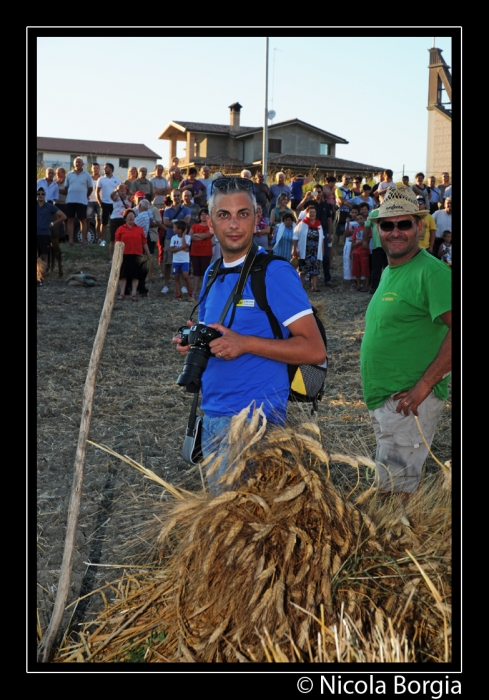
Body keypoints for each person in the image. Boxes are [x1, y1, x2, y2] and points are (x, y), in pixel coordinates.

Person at [173, 176, 325, 493]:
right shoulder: (213, 273)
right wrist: (195, 341)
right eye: (223, 215)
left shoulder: (274, 271)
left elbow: (314, 349)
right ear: (210, 220)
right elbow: (219, 334)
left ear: (257, 217)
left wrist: (244, 344)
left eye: (243, 214)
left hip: (257, 426)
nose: (233, 224)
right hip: (213, 417)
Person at [361, 185, 451, 505]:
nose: (395, 232)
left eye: (404, 224)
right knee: (390, 491)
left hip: (408, 403)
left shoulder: (432, 272)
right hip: (389, 403)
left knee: (394, 498)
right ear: (377, 229)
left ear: (419, 227)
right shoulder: (392, 270)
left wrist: (425, 384)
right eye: (388, 225)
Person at [115, 209, 150, 301]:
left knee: (135, 275)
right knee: (124, 275)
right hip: (124, 254)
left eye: (133, 215)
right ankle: (122, 293)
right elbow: (116, 242)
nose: (131, 217)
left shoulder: (139, 229)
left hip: (137, 255)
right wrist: (116, 256)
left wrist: (148, 253)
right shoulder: (120, 229)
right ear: (125, 218)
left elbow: (144, 242)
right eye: (129, 216)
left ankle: (134, 294)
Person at [161, 189, 191, 293]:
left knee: (182, 261)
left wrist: (173, 222)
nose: (177, 197)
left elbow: (187, 221)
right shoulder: (167, 210)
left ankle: (183, 286)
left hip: (182, 238)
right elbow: (165, 222)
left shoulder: (186, 209)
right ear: (172, 197)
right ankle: (166, 285)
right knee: (168, 262)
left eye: (178, 195)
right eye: (175, 196)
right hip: (170, 237)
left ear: (181, 197)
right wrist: (179, 223)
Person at [293, 203, 325, 292]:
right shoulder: (302, 224)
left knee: (315, 270)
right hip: (305, 251)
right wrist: (294, 248)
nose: (312, 214)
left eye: (314, 212)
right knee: (302, 270)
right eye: (310, 212)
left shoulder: (319, 224)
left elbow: (322, 238)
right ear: (307, 213)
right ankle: (301, 286)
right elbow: (295, 237)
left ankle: (314, 287)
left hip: (315, 251)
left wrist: (322, 251)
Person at [65, 157, 93, 246]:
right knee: (70, 220)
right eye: (76, 162)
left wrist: (85, 196)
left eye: (80, 162)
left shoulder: (87, 175)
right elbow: (66, 187)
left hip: (82, 201)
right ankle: (70, 241)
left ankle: (83, 241)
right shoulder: (69, 174)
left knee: (82, 220)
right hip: (70, 200)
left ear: (83, 164)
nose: (78, 164)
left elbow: (90, 188)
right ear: (74, 164)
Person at [37, 187, 67, 271]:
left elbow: (63, 216)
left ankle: (42, 276)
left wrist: (53, 223)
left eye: (42, 194)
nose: (40, 196)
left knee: (45, 255)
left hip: (45, 233)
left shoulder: (50, 206)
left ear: (45, 195)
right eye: (38, 194)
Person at [96, 163, 122, 245]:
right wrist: (100, 202)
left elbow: (120, 192)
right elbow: (97, 192)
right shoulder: (101, 179)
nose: (104, 169)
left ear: (111, 169)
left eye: (106, 167)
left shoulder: (117, 179)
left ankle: (115, 240)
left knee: (115, 222)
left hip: (115, 205)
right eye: (104, 168)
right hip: (104, 203)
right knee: (104, 223)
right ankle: (103, 240)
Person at [189, 207, 213, 294]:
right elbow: (190, 236)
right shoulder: (194, 226)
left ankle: (205, 290)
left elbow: (207, 235)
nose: (203, 216)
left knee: (205, 271)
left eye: (205, 214)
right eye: (202, 214)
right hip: (195, 251)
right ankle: (195, 290)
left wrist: (196, 235)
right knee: (196, 271)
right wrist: (200, 236)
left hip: (206, 252)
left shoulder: (211, 226)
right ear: (199, 216)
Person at [170, 220, 193, 301]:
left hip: (185, 261)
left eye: (175, 228)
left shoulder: (188, 237)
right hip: (175, 261)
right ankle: (178, 294)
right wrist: (182, 248)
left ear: (180, 229)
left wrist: (183, 236)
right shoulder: (173, 238)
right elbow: (172, 250)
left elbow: (185, 246)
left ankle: (190, 293)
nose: (173, 229)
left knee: (186, 276)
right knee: (176, 276)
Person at [350, 212, 370, 292]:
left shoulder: (367, 228)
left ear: (364, 219)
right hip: (356, 252)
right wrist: (351, 251)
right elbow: (353, 241)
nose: (359, 220)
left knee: (365, 268)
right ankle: (358, 284)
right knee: (356, 268)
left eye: (361, 218)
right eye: (358, 219)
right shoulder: (356, 230)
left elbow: (367, 239)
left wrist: (359, 243)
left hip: (364, 251)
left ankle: (367, 284)